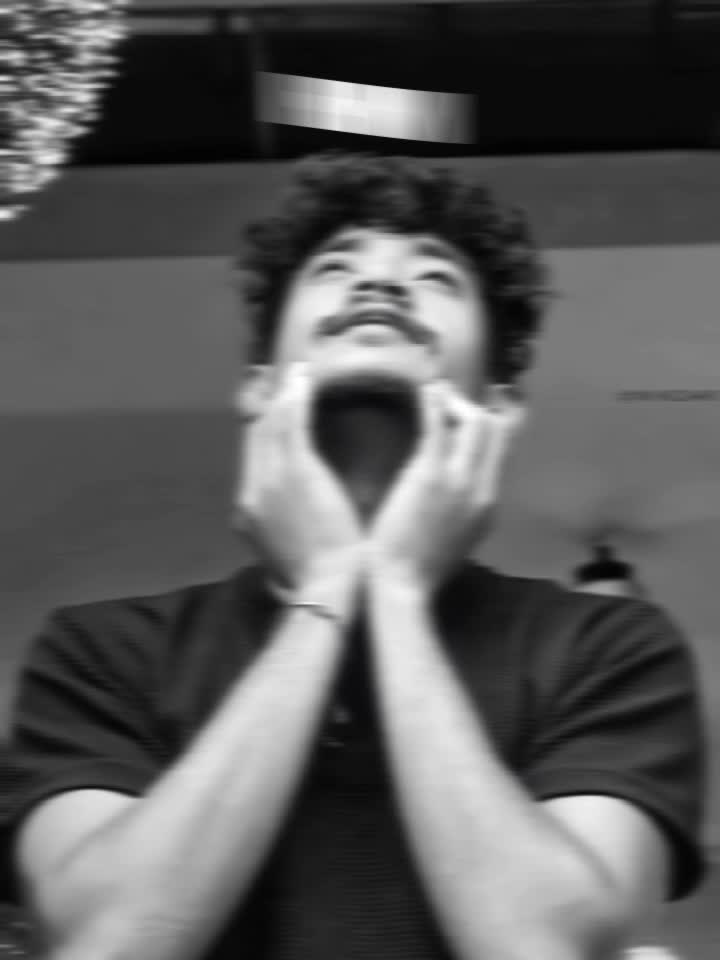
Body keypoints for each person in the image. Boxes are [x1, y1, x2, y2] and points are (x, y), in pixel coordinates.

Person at [0, 153, 706, 960]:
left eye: (435, 277)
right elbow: (110, 941)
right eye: (335, 268)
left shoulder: (606, 648)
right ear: (260, 387)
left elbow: (547, 948)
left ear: (498, 406)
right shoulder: (103, 653)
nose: (381, 285)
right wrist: (330, 586)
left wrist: (395, 592)